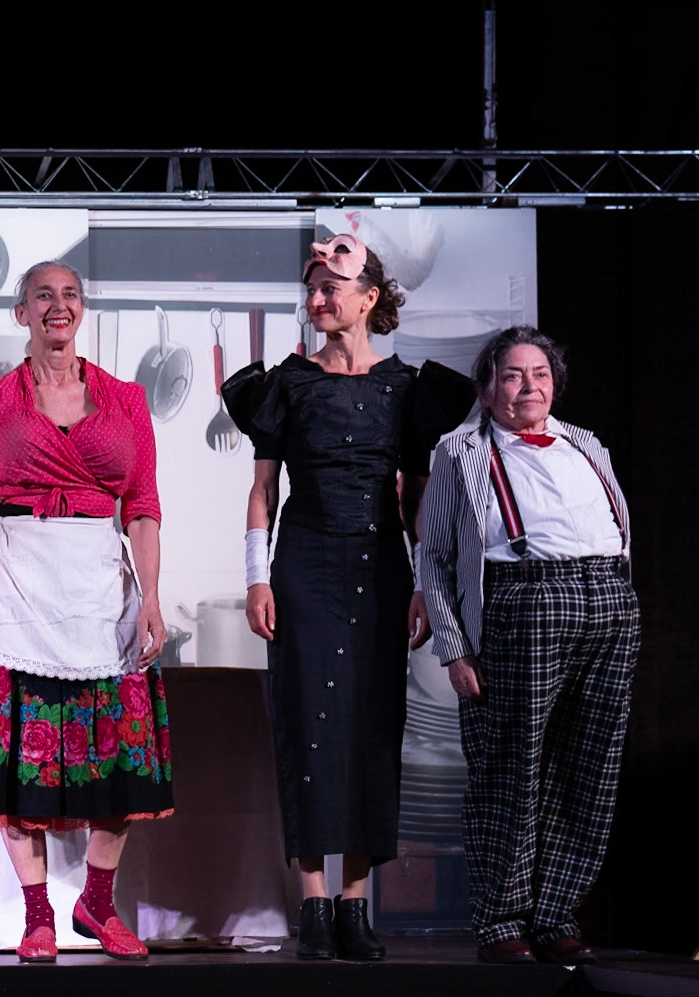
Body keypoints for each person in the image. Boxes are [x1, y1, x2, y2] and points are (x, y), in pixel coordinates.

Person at [222, 234, 472, 961]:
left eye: (330, 287)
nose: (317, 299)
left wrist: (424, 581)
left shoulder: (408, 388)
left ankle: (355, 904)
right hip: (304, 563)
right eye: (312, 288)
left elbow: (416, 499)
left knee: (371, 722)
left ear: (368, 299)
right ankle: (313, 902)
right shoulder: (286, 383)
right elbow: (263, 490)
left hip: (379, 566)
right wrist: (257, 576)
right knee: (306, 720)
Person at [0, 260, 172, 964]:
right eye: (42, 295)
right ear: (21, 313)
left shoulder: (126, 399)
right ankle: (38, 914)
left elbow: (142, 507)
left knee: (116, 755)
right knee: (23, 762)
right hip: (20, 582)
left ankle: (97, 902)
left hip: (101, 585)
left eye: (70, 293)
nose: (58, 305)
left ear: (82, 309)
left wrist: (152, 598)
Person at [419, 327, 637, 965]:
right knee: (510, 769)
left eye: (539, 374)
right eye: (512, 376)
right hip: (524, 600)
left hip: (607, 600)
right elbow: (434, 557)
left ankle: (555, 913)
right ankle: (501, 921)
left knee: (588, 768)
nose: (528, 387)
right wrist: (454, 648)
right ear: (488, 388)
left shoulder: (584, 443)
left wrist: (624, 599)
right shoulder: (460, 451)